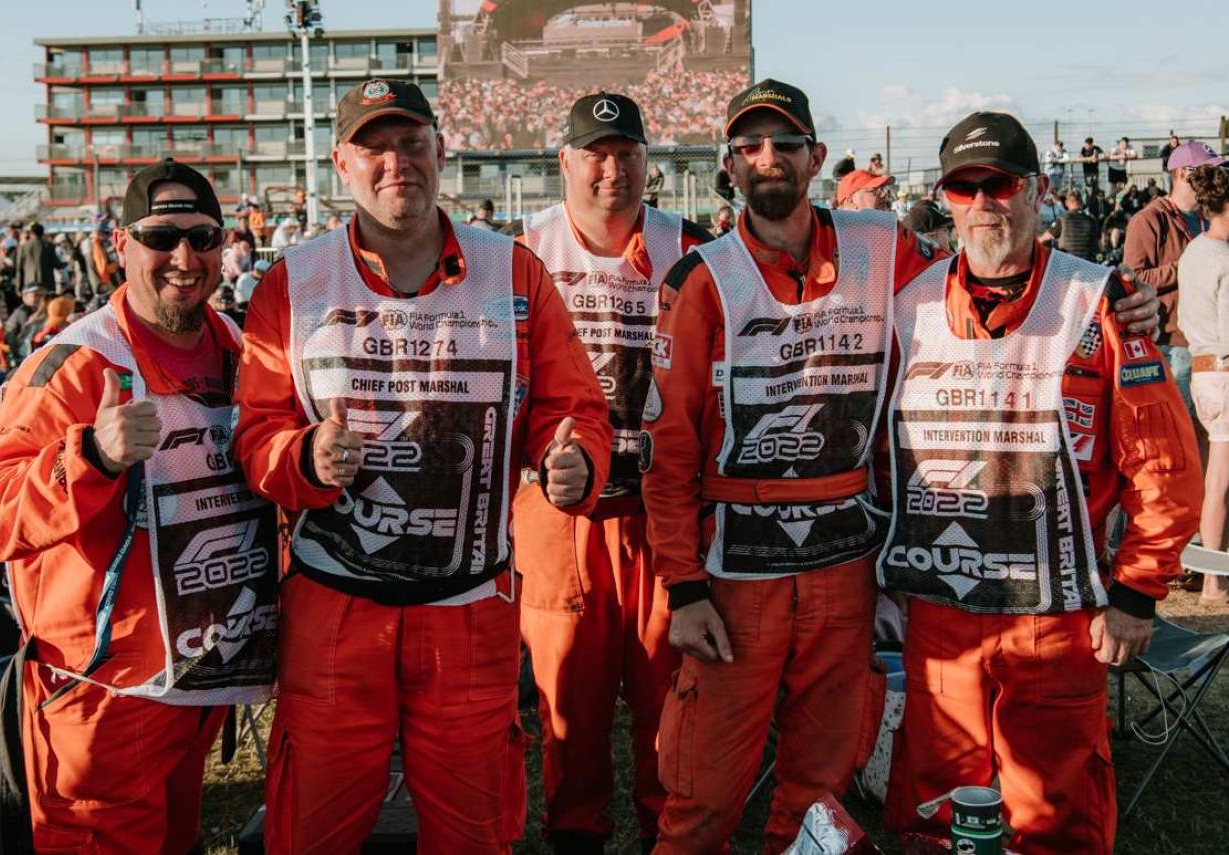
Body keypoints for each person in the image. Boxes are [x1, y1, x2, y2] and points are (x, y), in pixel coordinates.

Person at [232, 78, 612, 853]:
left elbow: (573, 410)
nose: (395, 161)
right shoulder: (293, 281)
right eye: (375, 145)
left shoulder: (512, 271)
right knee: (312, 828)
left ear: (441, 152)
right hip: (336, 611)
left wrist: (576, 463)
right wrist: (303, 454)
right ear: (342, 162)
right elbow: (255, 434)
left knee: (475, 828)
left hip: (468, 607)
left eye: (411, 143)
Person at [880, 111, 1197, 854]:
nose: (984, 202)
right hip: (941, 612)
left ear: (1038, 190)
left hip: (1059, 617)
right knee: (938, 811)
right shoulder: (907, 305)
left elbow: (1163, 467)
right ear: (947, 197)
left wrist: (1136, 593)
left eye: (1002, 184)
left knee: (1055, 819)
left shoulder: (1102, 302)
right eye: (966, 186)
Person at [641, 78, 943, 853]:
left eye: (785, 143)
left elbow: (966, 284)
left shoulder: (883, 245)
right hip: (737, 575)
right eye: (749, 146)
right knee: (704, 788)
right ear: (729, 167)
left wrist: (1116, 303)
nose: (768, 158)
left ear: (816, 157)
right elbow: (668, 450)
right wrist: (683, 587)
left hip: (845, 565)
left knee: (821, 786)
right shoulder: (702, 278)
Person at [0, 158, 278, 853]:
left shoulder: (238, 349)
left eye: (202, 236)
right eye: (161, 236)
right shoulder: (75, 364)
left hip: (199, 685)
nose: (184, 257)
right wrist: (90, 457)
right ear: (121, 246)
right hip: (102, 703)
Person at [516, 91, 714, 854]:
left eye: (626, 154)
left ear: (647, 163)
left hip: (663, 512)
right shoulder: (519, 251)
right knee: (570, 710)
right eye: (595, 154)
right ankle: (576, 837)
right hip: (560, 518)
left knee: (673, 707)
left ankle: (672, 836)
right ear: (564, 162)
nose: (611, 170)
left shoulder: (691, 245)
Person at [1124, 140, 1224, 440]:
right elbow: (1133, 277)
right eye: (1208, 170)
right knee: (1180, 434)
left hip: (1207, 344)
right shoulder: (1149, 220)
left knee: (1211, 435)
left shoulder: (1209, 218)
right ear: (1182, 174)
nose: (1216, 178)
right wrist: (1188, 266)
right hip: (1173, 343)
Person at [1177, 164, 1229, 602]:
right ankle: (1213, 580)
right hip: (1225, 374)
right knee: (1220, 483)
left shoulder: (1194, 250)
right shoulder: (1225, 257)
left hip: (1202, 371)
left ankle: (1211, 572)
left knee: (1215, 479)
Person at [1047, 189, 1101, 260]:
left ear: (1066, 203)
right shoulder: (1092, 219)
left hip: (1068, 263)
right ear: (1081, 202)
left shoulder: (1063, 219)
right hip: (1088, 263)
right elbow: (1099, 242)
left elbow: (1045, 237)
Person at [14, 222, 63, 294]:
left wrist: (18, 287)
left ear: (32, 233)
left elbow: (19, 268)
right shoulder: (49, 246)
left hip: (29, 282)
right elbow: (57, 264)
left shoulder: (24, 247)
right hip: (47, 282)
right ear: (42, 233)